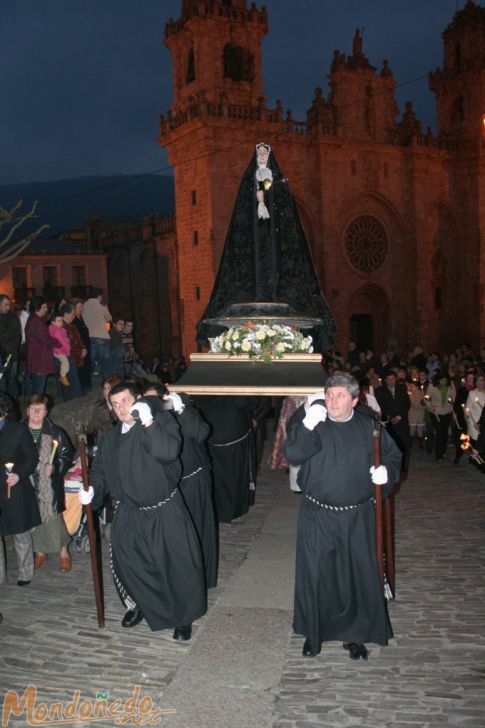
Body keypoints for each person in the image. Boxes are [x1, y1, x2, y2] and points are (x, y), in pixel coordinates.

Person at [284, 373, 402, 659]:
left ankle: (354, 636)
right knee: (317, 575)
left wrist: (386, 472)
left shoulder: (369, 426)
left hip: (357, 516)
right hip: (318, 514)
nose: (333, 401)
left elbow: (392, 456)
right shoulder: (312, 421)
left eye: (339, 396)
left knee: (355, 577)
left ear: (354, 398)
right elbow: (294, 454)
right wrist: (307, 425)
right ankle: (315, 632)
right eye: (329, 395)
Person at [80, 381, 207, 639]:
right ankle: (138, 605)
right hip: (129, 511)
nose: (121, 408)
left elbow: (168, 452)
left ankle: (183, 617)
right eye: (115, 404)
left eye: (125, 400)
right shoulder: (110, 438)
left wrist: (149, 425)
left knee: (175, 565)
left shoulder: (162, 422)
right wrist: (92, 490)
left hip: (164, 508)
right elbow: (101, 472)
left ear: (138, 399)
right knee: (130, 564)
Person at [26, 395, 74, 572]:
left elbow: (66, 455)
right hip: (27, 483)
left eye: (40, 409)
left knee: (53, 519)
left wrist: (54, 467)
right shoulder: (20, 431)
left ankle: (64, 553)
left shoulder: (55, 432)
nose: (36, 412)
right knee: (33, 519)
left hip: (49, 486)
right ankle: (40, 552)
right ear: (27, 410)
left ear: (46, 412)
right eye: (33, 408)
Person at [196, 395, 259, 523]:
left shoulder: (204, 387)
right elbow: (250, 402)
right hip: (232, 439)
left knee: (219, 478)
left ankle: (220, 510)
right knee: (234, 477)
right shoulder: (234, 388)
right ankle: (233, 510)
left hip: (214, 437)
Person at [0, 393, 40, 586]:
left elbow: (31, 458)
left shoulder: (18, 430)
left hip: (13, 487)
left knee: (20, 532)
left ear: (4, 412)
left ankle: (25, 572)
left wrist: (19, 474)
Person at [24, 296, 56, 395]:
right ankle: (37, 407)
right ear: (38, 307)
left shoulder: (35, 319)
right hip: (39, 359)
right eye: (44, 307)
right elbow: (45, 339)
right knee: (38, 388)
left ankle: (37, 406)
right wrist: (59, 343)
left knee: (38, 386)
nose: (46, 310)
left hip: (37, 357)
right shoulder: (36, 321)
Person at [425, 371, 456, 462]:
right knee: (439, 431)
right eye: (441, 380)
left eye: (445, 380)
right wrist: (430, 406)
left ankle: (443, 451)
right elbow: (427, 398)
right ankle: (438, 456)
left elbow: (453, 395)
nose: (443, 382)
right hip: (435, 412)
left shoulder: (451, 384)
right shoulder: (432, 386)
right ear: (437, 379)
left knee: (445, 432)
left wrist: (451, 405)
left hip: (447, 411)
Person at [82, 288, 112, 378]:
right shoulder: (101, 306)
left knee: (93, 357)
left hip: (89, 336)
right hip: (102, 335)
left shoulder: (84, 306)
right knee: (105, 360)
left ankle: (94, 373)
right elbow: (109, 319)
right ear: (99, 296)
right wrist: (107, 329)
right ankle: (106, 379)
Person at [0, 294, 22, 397]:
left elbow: (17, 337)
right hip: (4, 355)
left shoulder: (12, 319)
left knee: (11, 380)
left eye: (9, 304)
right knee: (3, 382)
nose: (8, 307)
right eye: (5, 304)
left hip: (11, 354)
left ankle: (11, 406)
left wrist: (12, 349)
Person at [71, 299, 91, 394]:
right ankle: (83, 390)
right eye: (80, 307)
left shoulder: (81, 319)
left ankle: (86, 388)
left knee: (85, 369)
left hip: (85, 348)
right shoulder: (74, 321)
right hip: (80, 350)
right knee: (81, 371)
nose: (82, 309)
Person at [48, 312, 71, 386]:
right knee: (65, 362)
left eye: (61, 320)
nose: (61, 322)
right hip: (59, 351)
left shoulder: (56, 329)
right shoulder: (57, 331)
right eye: (59, 321)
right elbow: (62, 342)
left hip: (56, 350)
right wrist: (67, 350)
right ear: (53, 322)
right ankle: (63, 376)